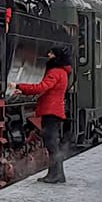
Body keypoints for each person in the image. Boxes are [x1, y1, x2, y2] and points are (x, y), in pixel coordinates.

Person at [18, 45, 71, 184]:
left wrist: (20, 87)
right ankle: (57, 174)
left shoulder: (55, 72)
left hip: (51, 111)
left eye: (51, 53)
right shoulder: (63, 72)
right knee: (53, 144)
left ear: (57, 56)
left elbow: (42, 87)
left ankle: (55, 175)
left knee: (51, 144)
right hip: (54, 110)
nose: (48, 55)